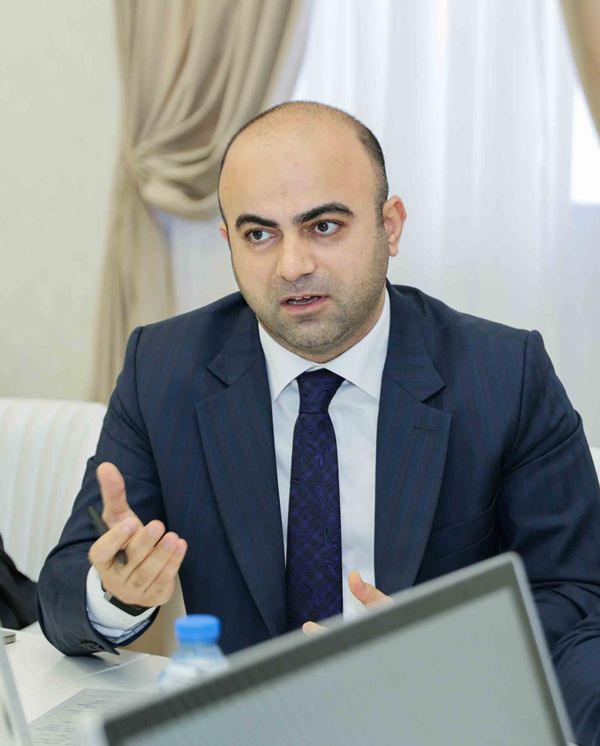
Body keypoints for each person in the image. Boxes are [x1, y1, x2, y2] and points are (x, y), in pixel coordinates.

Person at [38, 102, 600, 743]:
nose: (292, 266)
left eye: (324, 226)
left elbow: (579, 593)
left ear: (390, 226)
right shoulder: (163, 369)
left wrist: (454, 658)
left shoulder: (504, 374)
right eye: (260, 235)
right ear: (229, 244)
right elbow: (64, 586)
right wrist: (117, 593)